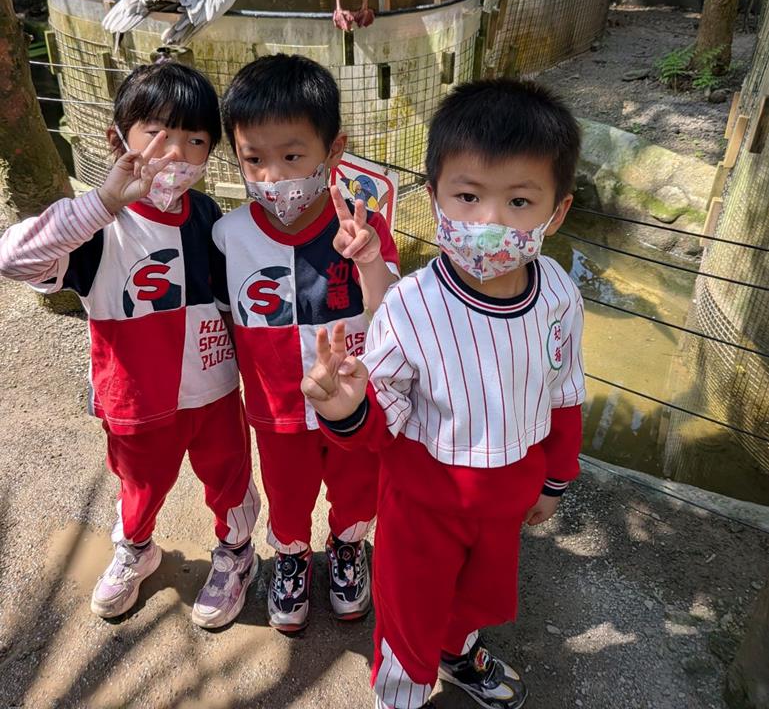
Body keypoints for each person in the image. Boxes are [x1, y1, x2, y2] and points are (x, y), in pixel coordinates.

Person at [302, 78, 586, 709]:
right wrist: (347, 409)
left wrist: (554, 480)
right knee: (409, 611)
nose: (489, 222)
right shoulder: (411, 304)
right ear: (433, 198)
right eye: (468, 196)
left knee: (478, 595)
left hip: (507, 498)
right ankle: (400, 692)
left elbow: (564, 393)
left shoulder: (559, 296)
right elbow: (384, 414)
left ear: (557, 211)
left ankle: (458, 653)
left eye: (519, 201)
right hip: (422, 503)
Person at [0, 61, 260, 628]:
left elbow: (234, 299)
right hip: (135, 398)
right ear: (118, 137)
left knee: (229, 478)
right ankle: (136, 548)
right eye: (157, 134)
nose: (177, 153)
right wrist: (101, 203)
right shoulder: (95, 227)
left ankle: (237, 552)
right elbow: (13, 259)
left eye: (196, 140)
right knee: (139, 487)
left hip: (215, 390)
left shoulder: (210, 216)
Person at [214, 53, 399, 632]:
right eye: (254, 159)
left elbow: (390, 309)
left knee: (357, 485)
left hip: (351, 401)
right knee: (287, 492)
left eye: (292, 157)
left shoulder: (364, 227)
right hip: (276, 407)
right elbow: (222, 316)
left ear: (333, 151)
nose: (273, 177)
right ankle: (291, 555)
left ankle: (347, 545)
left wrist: (369, 258)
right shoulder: (228, 234)